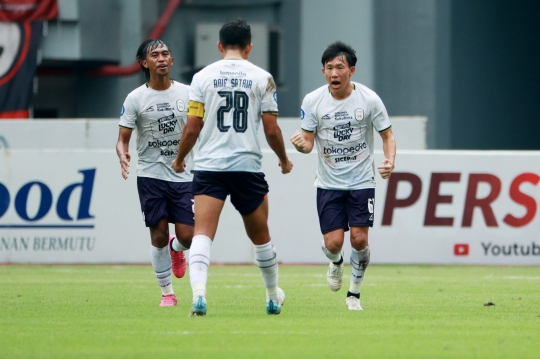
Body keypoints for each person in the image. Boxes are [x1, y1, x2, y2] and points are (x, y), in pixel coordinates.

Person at [171, 19, 293, 316]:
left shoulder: (202, 77)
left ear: (219, 46)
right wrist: (284, 159)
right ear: (250, 46)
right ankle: (272, 296)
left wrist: (179, 158)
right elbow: (272, 129)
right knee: (261, 236)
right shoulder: (263, 77)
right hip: (246, 166)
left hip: (210, 166)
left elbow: (192, 128)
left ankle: (199, 295)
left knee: (202, 233)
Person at [290, 41, 396, 311]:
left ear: (351, 70)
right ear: (323, 72)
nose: (334, 73)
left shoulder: (369, 100)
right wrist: (300, 146)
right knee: (334, 243)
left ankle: (354, 295)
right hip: (328, 183)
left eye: (339, 67)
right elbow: (308, 143)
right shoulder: (313, 101)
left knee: (359, 240)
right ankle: (336, 262)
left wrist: (389, 160)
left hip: (362, 182)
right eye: (329, 68)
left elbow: (388, 135)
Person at [116, 39, 194, 307]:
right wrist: (123, 152)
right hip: (150, 175)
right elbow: (122, 138)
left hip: (184, 174)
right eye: (155, 55)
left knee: (187, 236)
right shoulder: (135, 98)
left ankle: (176, 249)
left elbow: (199, 128)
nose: (161, 58)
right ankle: (167, 293)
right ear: (144, 63)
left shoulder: (188, 93)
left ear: (172, 61)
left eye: (166, 54)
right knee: (157, 234)